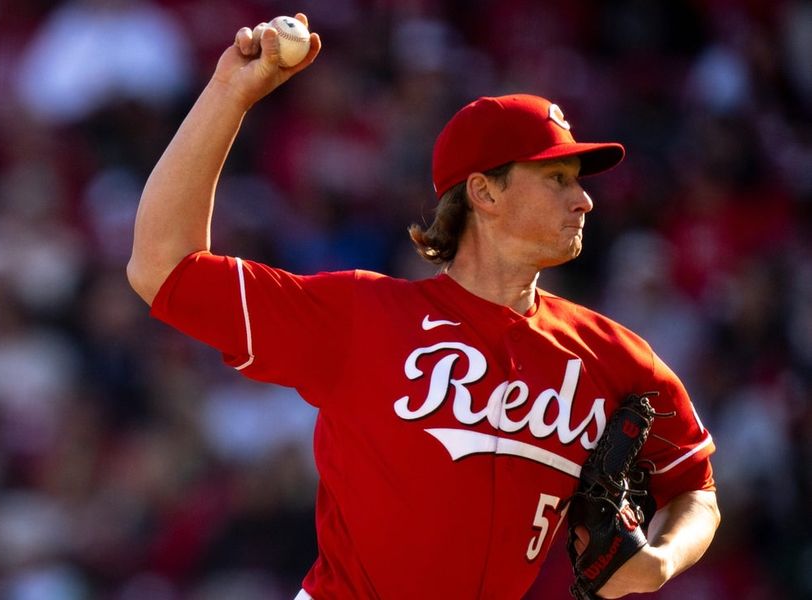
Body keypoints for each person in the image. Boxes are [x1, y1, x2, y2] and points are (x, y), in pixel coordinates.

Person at [127, 14, 720, 600]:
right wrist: (230, 92)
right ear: (485, 192)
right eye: (558, 178)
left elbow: (696, 487)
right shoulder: (363, 315)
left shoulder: (611, 355)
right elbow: (161, 267)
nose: (585, 200)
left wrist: (662, 560)